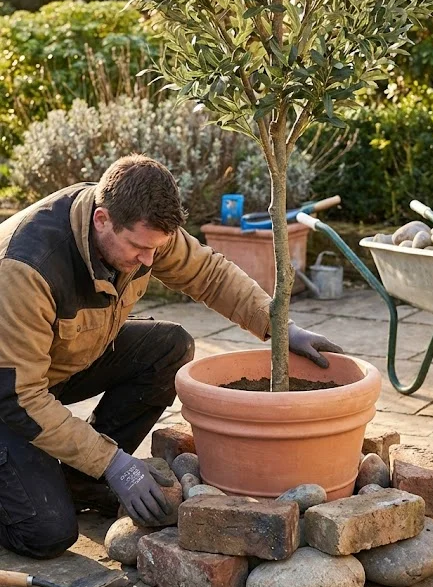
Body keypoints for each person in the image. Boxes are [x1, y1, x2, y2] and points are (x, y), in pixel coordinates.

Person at [0, 155, 341, 559]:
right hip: (10, 393)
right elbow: (20, 398)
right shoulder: (25, 269)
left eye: (156, 249)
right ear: (102, 220)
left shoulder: (139, 224)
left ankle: (81, 480)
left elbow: (210, 275)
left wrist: (280, 329)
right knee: (46, 533)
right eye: (140, 248)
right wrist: (113, 462)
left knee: (170, 347)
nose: (149, 260)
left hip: (54, 365)